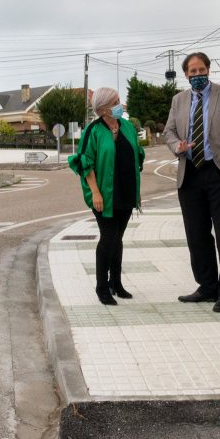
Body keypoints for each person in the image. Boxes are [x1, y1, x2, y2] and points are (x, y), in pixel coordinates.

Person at [164, 51, 220, 313]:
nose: (197, 75)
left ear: (209, 70)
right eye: (192, 71)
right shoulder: (179, 100)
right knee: (197, 235)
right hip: (189, 174)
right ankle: (207, 286)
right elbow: (169, 131)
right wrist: (176, 145)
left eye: (201, 70)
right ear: (186, 74)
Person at [68, 87, 145, 306]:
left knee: (118, 239)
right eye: (116, 101)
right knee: (108, 238)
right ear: (103, 109)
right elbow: (84, 161)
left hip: (126, 193)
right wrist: (95, 193)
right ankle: (102, 287)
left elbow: (136, 156)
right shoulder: (93, 131)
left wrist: (136, 190)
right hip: (104, 195)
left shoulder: (127, 127)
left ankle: (116, 283)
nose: (121, 104)